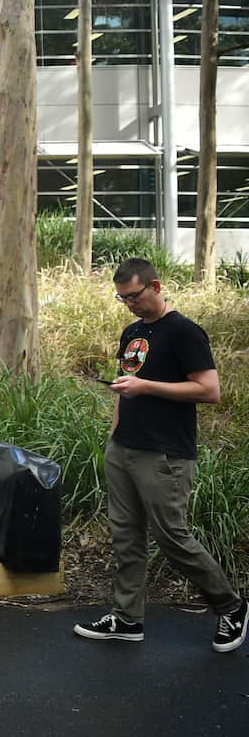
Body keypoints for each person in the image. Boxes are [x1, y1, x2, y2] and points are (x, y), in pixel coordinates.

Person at [74, 258, 246, 653]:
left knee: (173, 538)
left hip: (165, 454)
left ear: (155, 285)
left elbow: (209, 390)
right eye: (122, 298)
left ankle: (231, 606)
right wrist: (114, 432)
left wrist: (147, 387)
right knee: (126, 537)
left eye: (133, 296)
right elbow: (125, 385)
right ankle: (126, 617)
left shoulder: (184, 332)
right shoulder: (133, 332)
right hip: (124, 448)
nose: (129, 304)